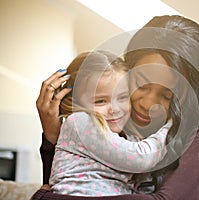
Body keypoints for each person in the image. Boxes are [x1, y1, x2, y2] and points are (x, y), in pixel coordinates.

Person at [32, 15, 199, 200]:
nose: (146, 104)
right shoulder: (116, 125)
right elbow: (73, 185)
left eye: (166, 94)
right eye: (141, 84)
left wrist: (45, 198)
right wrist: (54, 138)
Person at [48, 50, 172, 197]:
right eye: (100, 101)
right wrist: (173, 125)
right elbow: (142, 159)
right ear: (74, 102)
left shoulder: (127, 140)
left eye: (122, 97)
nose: (114, 109)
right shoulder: (79, 122)